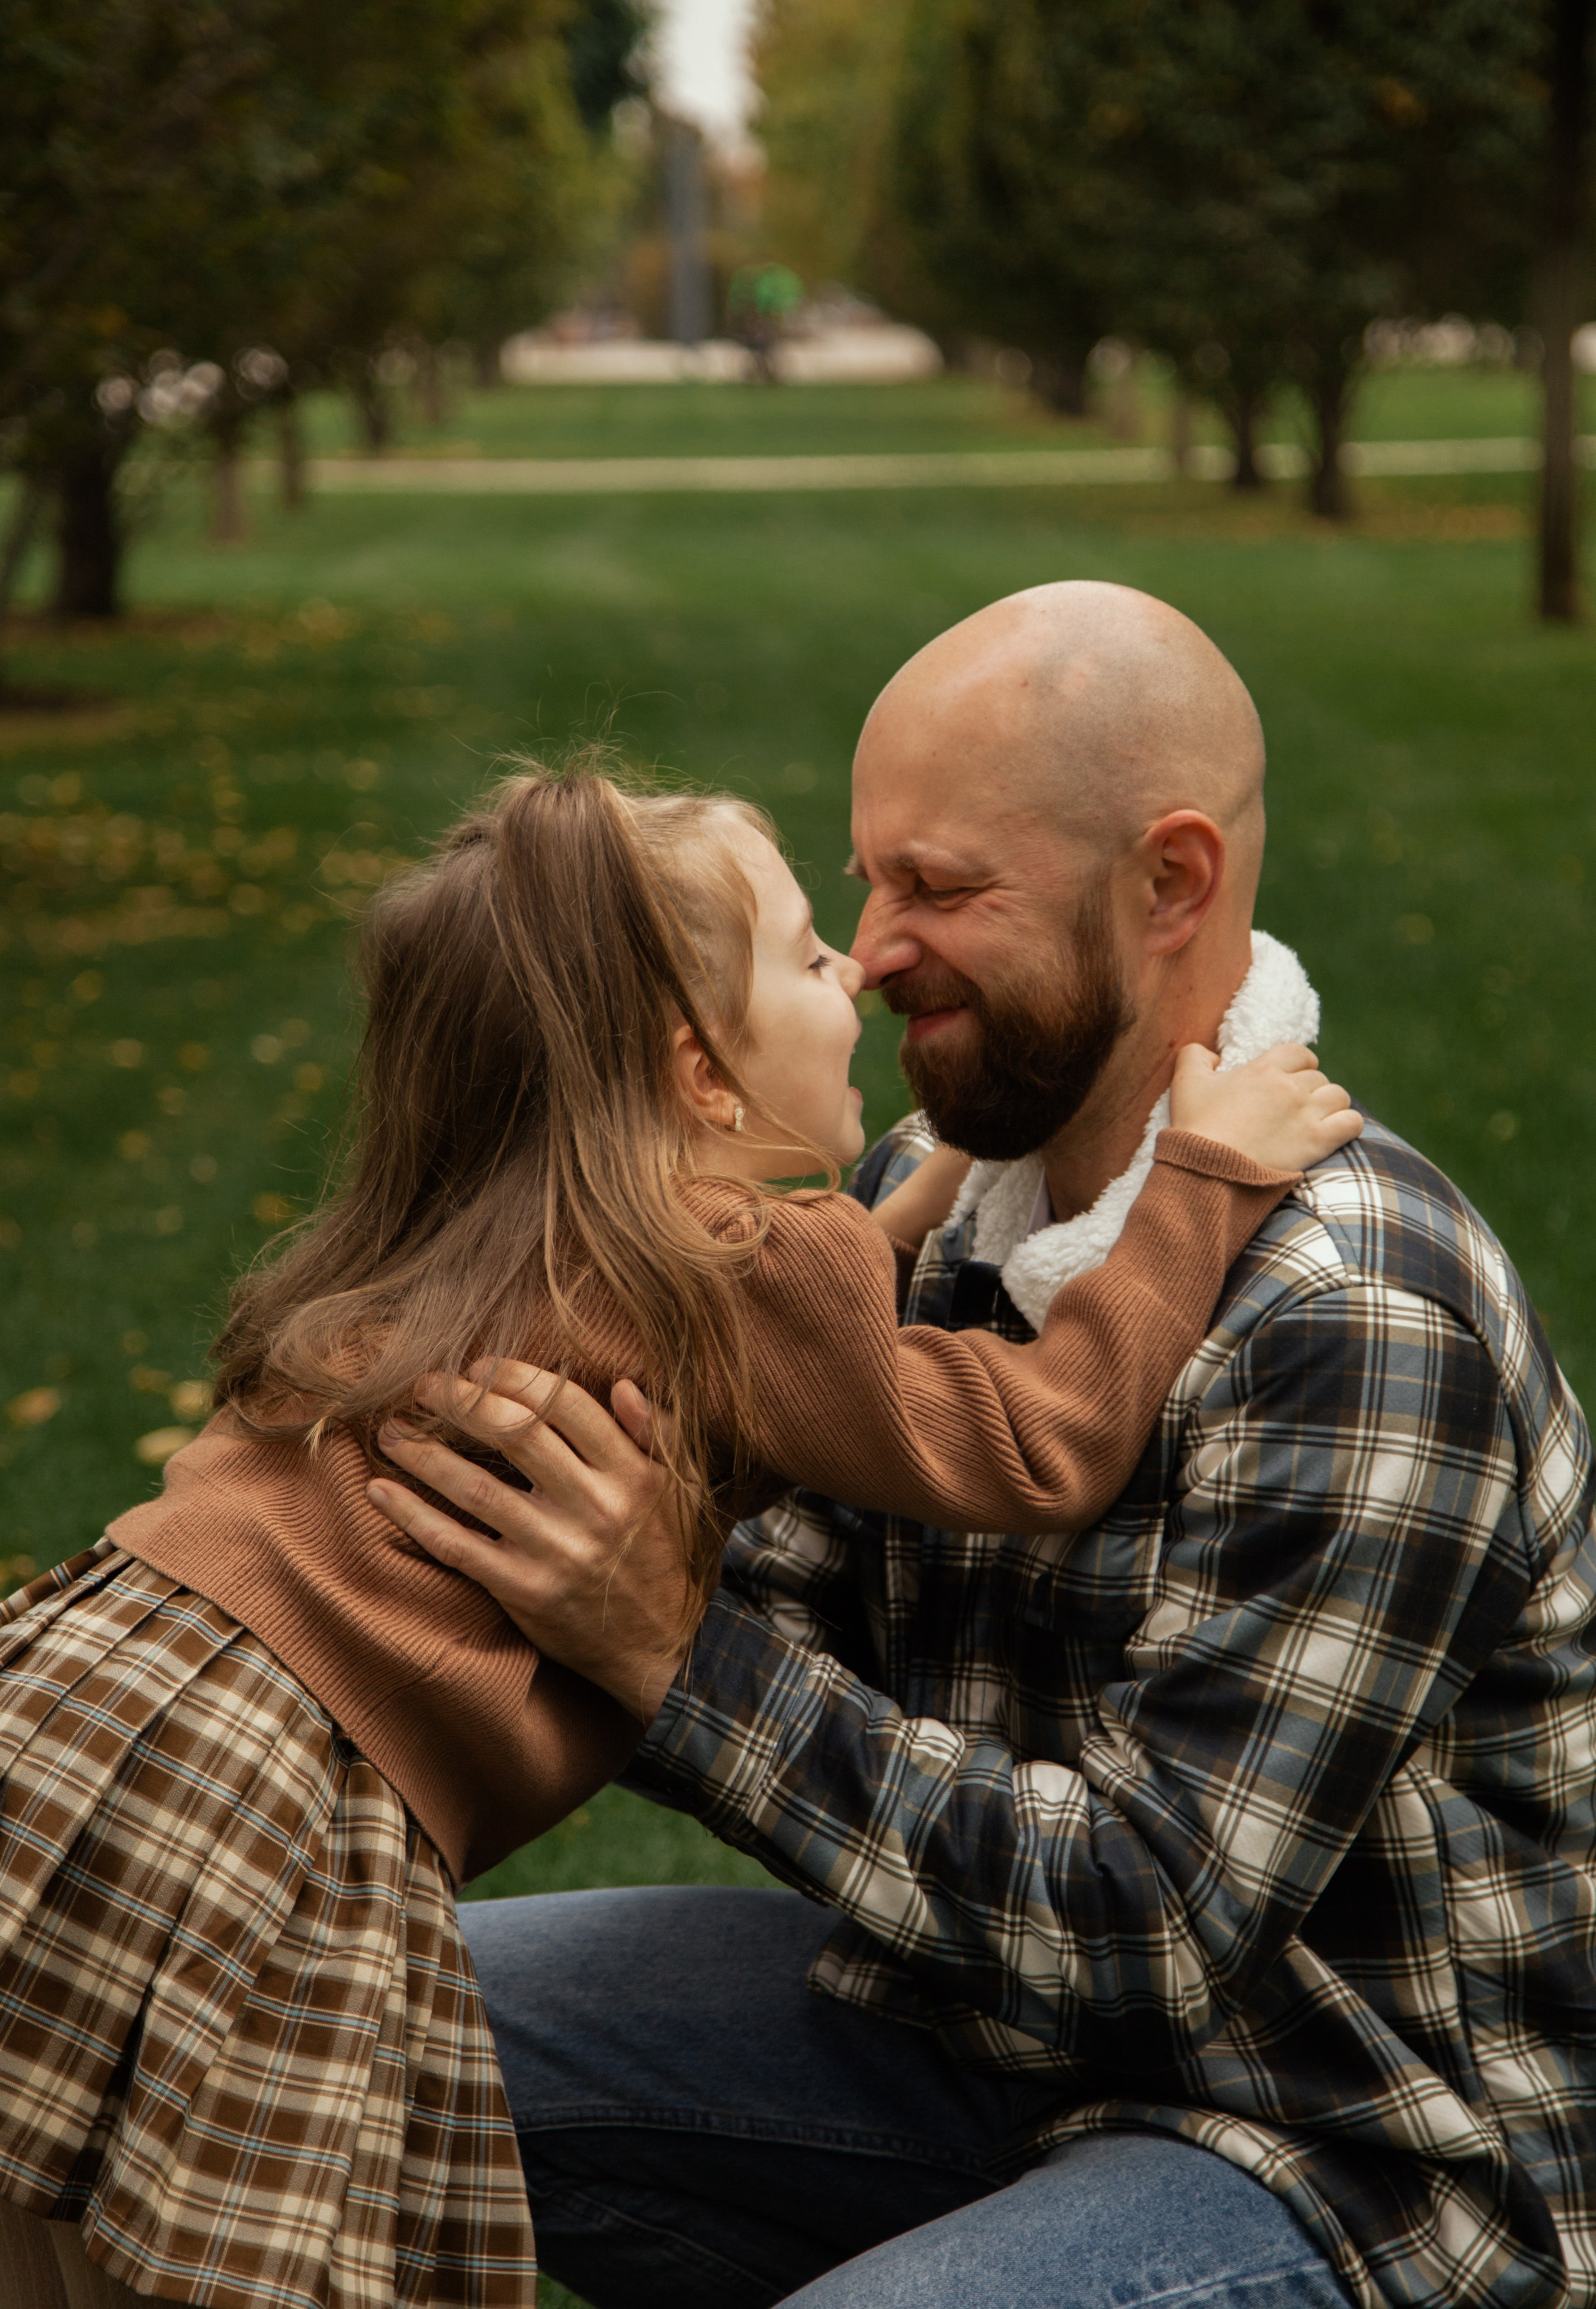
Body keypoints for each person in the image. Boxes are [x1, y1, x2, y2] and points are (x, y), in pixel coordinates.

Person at [382, 583, 1596, 2309]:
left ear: (1169, 883)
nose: (872, 952)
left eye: (941, 890)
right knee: (326, 2014)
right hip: (983, 2036)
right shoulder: (930, 1198)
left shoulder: (1353, 1310)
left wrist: (666, 1651)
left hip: (1355, 2148)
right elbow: (762, 1593)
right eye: (866, 883)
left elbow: (1147, 1924)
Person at [0, 761, 1349, 2309]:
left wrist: (944, 1174)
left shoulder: (520, 1226)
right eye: (808, 954)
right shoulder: (738, 1274)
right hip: (264, 1796)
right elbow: (1038, 1435)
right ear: (701, 1075)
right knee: (260, 2249)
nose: (858, 967)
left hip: (95, 1699)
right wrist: (1198, 1179)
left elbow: (784, 1335)